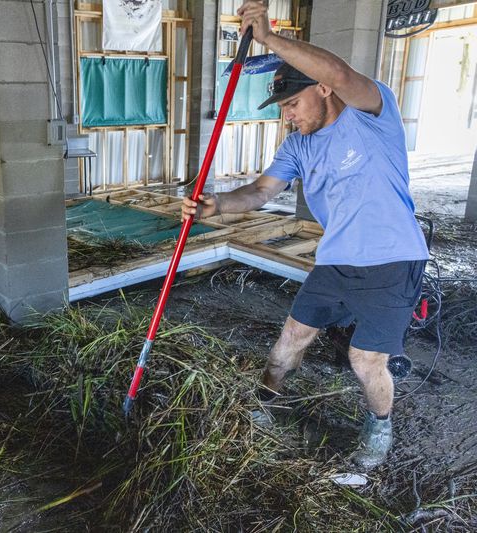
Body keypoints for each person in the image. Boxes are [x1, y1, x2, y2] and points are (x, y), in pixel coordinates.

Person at [182, 0, 429, 470]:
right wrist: (217, 205)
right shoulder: (297, 144)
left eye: (292, 104)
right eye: (282, 109)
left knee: (365, 360)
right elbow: (259, 191)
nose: (287, 116)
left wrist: (270, 40)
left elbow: (339, 72)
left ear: (321, 90)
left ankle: (379, 428)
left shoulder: (371, 114)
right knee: (290, 339)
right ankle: (264, 404)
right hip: (336, 261)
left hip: (392, 261)